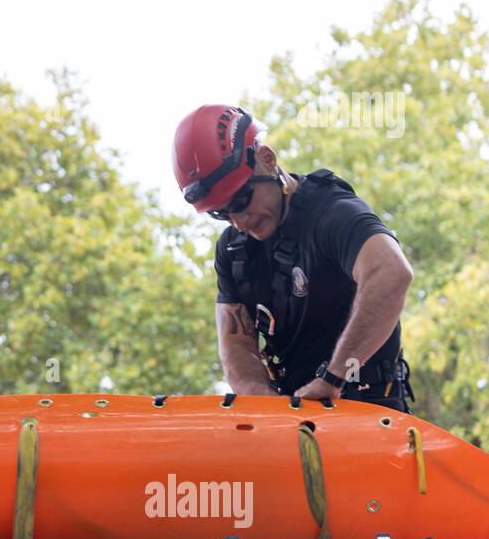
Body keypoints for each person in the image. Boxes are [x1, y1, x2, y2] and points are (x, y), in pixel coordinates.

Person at [173, 104, 415, 412]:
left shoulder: (332, 214)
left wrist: (335, 376)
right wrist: (266, 403)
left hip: (368, 410)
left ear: (267, 160)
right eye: (222, 213)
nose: (239, 221)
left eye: (242, 200)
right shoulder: (233, 251)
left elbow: (391, 274)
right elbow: (235, 346)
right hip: (295, 419)